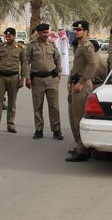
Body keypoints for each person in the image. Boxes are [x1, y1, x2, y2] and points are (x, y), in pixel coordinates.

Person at [23, 23, 65, 140]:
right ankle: (39, 129)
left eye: (47, 32)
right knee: (37, 106)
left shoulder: (51, 45)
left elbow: (57, 59)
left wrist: (59, 75)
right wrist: (27, 78)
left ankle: (56, 130)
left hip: (51, 79)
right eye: (44, 32)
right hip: (37, 80)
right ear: (38, 33)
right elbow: (26, 62)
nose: (46, 34)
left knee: (54, 107)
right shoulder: (31, 46)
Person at [66, 20, 98, 162]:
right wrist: (69, 82)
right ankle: (79, 145)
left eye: (79, 30)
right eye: (75, 30)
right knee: (73, 117)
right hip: (75, 84)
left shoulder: (87, 46)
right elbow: (76, 67)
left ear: (86, 32)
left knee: (79, 117)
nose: (76, 32)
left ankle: (83, 150)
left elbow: (93, 64)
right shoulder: (79, 46)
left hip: (82, 85)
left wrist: (81, 82)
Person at [0, 27, 24, 135]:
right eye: (6, 36)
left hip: (14, 77)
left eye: (9, 36)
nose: (7, 38)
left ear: (14, 36)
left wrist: (22, 79)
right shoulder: (0, 47)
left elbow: (24, 64)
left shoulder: (20, 48)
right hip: (1, 77)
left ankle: (10, 124)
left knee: (12, 102)